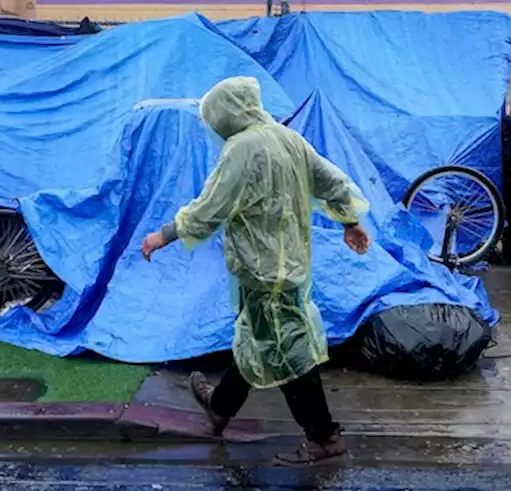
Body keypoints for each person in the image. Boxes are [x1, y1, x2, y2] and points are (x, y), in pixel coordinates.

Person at [141, 76, 371, 465]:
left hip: (263, 270)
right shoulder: (288, 139)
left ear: (227, 115)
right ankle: (220, 407)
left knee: (289, 352)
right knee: (260, 338)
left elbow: (210, 205)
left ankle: (323, 436)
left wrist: (164, 234)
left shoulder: (241, 149)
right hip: (289, 264)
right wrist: (349, 219)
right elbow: (331, 179)